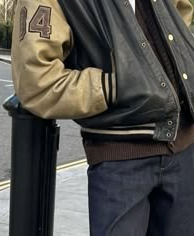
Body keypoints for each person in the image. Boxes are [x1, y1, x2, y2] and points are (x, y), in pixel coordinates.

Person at [11, 0, 194, 235]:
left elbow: (181, 11)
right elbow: (36, 82)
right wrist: (114, 87)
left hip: (185, 146)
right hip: (121, 154)